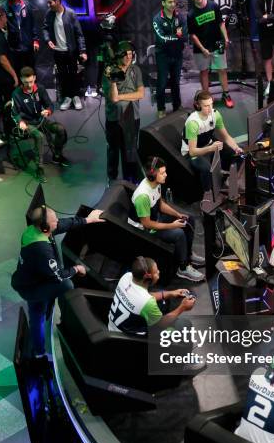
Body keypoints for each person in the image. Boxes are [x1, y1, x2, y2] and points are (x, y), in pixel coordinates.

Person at [11, 205, 104, 358]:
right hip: (31, 288)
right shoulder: (42, 250)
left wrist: (88, 220)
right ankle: (40, 353)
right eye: (54, 222)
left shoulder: (33, 230)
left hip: (34, 276)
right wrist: (76, 269)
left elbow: (63, 224)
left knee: (43, 307)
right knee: (39, 313)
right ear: (45, 227)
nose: (57, 223)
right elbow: (58, 276)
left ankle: (46, 312)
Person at [128, 156, 205, 282]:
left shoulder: (156, 184)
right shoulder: (143, 196)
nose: (166, 175)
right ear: (153, 174)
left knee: (188, 219)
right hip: (143, 231)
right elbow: (147, 224)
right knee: (179, 233)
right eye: (162, 173)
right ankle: (183, 268)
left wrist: (178, 214)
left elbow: (161, 205)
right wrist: (172, 225)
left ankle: (188, 255)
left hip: (154, 219)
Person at [108, 256, 196, 335]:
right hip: (129, 338)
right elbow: (161, 324)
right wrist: (182, 307)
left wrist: (171, 293)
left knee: (163, 299)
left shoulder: (126, 277)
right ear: (148, 276)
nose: (159, 272)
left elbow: (146, 296)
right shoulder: (146, 302)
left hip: (115, 327)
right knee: (184, 325)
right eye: (156, 272)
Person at [11, 66, 69, 183]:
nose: (29, 85)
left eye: (31, 81)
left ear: (35, 78)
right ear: (21, 80)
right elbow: (14, 113)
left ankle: (57, 155)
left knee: (60, 129)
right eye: (26, 82)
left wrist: (48, 111)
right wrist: (20, 122)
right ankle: (39, 168)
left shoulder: (40, 89)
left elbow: (50, 105)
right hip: (28, 123)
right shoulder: (16, 94)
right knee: (40, 136)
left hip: (40, 120)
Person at [182, 90, 243, 192]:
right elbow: (192, 152)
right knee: (206, 169)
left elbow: (226, 137)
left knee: (238, 156)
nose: (210, 109)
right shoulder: (192, 123)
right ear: (197, 105)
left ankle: (227, 183)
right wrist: (211, 148)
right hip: (193, 152)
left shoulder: (215, 114)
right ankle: (208, 195)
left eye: (211, 104)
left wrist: (236, 148)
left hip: (209, 144)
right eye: (206, 106)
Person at [102, 40, 144, 184]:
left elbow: (140, 94)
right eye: (125, 55)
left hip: (133, 117)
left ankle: (130, 179)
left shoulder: (135, 70)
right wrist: (114, 81)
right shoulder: (109, 72)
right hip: (114, 119)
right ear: (119, 56)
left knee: (130, 150)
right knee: (113, 150)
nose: (129, 57)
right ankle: (111, 179)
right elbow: (113, 98)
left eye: (131, 54)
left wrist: (121, 96)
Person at [187, 0, 234, 109]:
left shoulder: (214, 6)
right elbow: (192, 35)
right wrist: (203, 49)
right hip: (201, 49)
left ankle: (226, 94)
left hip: (217, 45)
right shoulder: (191, 14)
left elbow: (221, 24)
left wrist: (226, 39)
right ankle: (206, 97)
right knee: (204, 72)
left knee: (222, 70)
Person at [42, 0, 87, 110]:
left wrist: (82, 51)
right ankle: (67, 98)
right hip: (58, 52)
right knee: (63, 76)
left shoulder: (70, 14)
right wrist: (48, 40)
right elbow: (45, 28)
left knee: (74, 74)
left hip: (71, 51)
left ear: (58, 1)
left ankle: (76, 97)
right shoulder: (49, 14)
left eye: (50, 2)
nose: (48, 5)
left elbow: (79, 34)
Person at [152, 0, 187, 118]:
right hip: (163, 56)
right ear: (163, 3)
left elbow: (185, 37)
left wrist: (175, 37)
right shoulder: (157, 19)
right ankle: (161, 109)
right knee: (161, 83)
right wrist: (176, 36)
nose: (173, 4)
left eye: (174, 1)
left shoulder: (180, 17)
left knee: (175, 82)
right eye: (170, 2)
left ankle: (177, 106)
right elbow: (161, 39)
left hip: (177, 55)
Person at [3, 0, 39, 76]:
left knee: (31, 71)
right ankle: (20, 90)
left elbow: (33, 24)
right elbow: (3, 25)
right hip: (15, 47)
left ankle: (34, 90)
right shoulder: (5, 8)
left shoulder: (26, 5)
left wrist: (35, 40)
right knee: (18, 72)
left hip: (28, 45)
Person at [0, 7, 18, 105]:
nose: (6, 18)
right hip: (2, 75)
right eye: (5, 15)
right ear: (1, 17)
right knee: (9, 99)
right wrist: (14, 75)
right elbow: (3, 60)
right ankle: (10, 118)